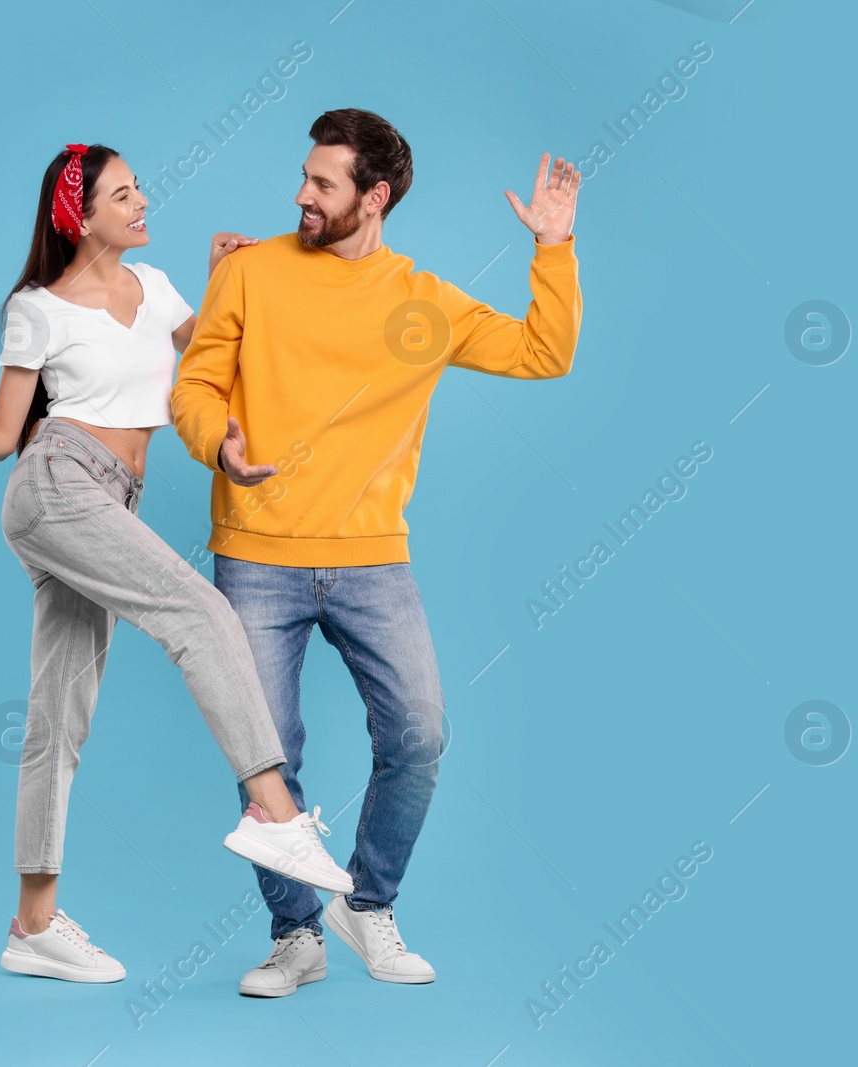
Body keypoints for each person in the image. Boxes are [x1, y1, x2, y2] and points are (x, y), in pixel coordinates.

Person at [0, 143, 352, 985]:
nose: (144, 200)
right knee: (200, 612)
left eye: (141, 188)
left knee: (58, 719)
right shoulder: (37, 308)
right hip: (55, 485)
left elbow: (215, 363)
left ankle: (32, 925)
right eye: (125, 193)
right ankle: (275, 808)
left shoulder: (155, 290)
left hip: (114, 499)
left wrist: (225, 279)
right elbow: (5, 433)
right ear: (78, 214)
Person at [170, 108, 583, 996]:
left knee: (418, 735)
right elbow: (196, 382)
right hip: (256, 553)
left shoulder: (423, 303)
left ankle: (369, 903)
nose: (301, 195)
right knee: (266, 752)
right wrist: (219, 444)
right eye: (305, 177)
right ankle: (295, 935)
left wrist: (553, 247)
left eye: (323, 184)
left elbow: (544, 352)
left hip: (370, 558)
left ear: (375, 195)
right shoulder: (249, 272)